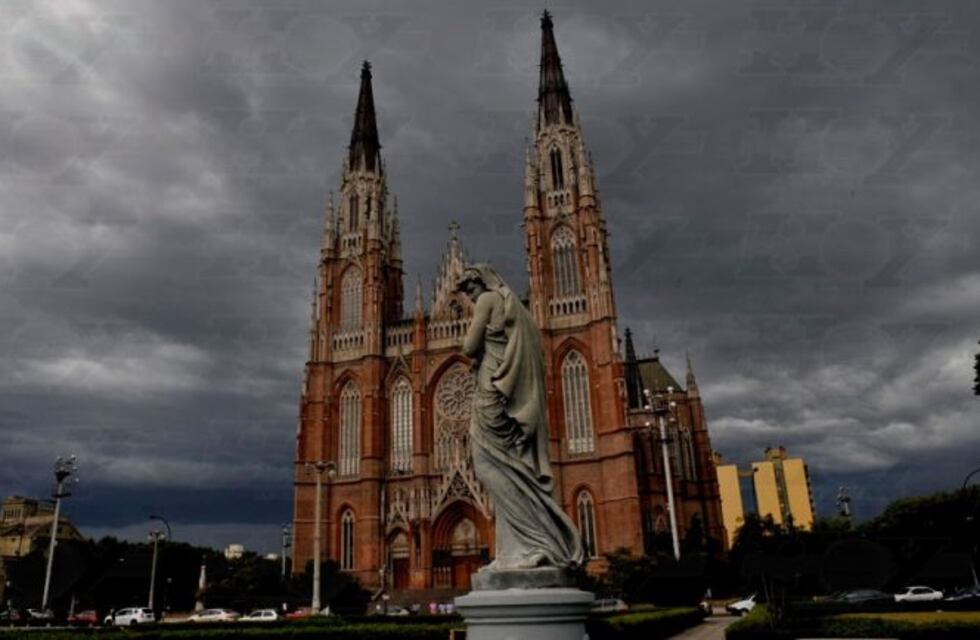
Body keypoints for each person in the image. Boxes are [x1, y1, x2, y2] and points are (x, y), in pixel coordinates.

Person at [456, 264, 584, 570]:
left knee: (487, 467)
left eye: (470, 290)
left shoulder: (487, 300)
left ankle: (530, 545)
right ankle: (518, 549)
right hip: (507, 394)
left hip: (492, 392)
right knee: (509, 471)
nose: (470, 299)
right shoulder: (515, 307)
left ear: (479, 283)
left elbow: (469, 346)